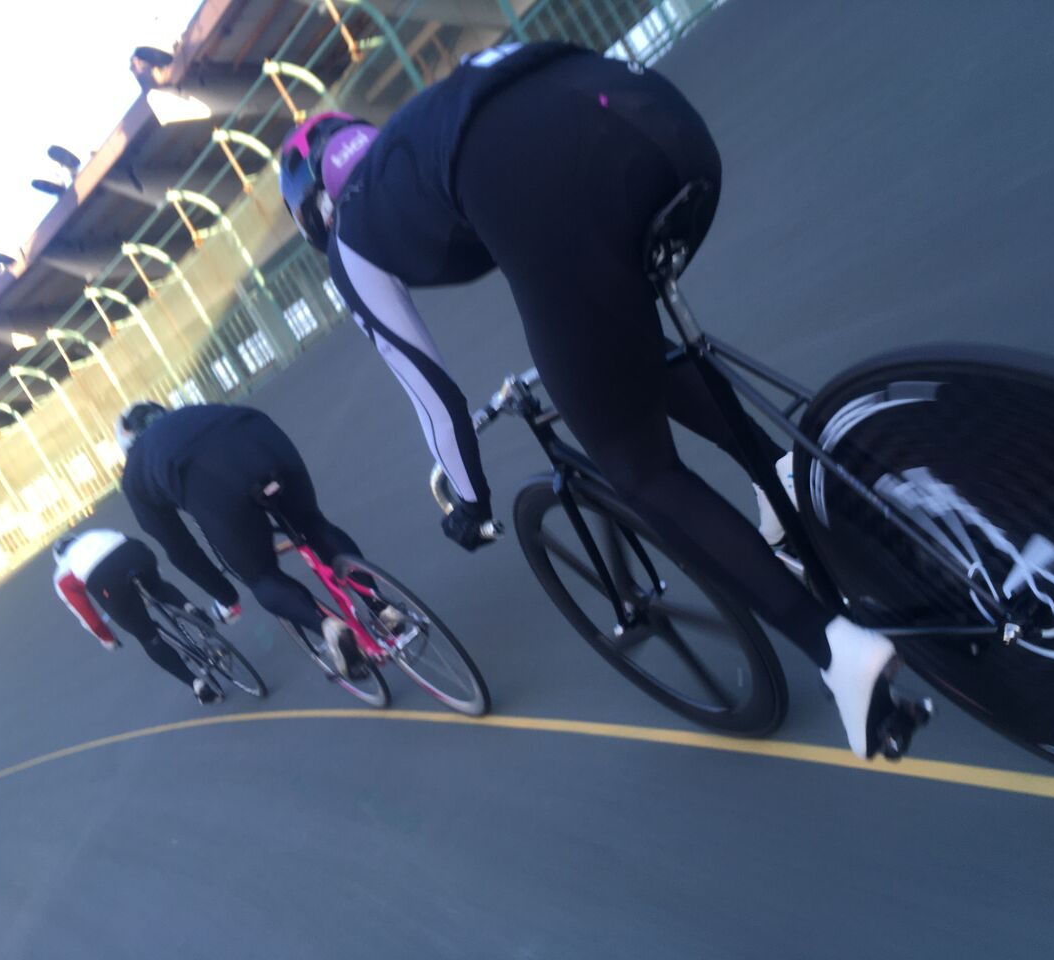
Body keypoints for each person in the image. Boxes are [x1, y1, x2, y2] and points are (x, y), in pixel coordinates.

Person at [277, 41, 924, 759]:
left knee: (638, 466)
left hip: (555, 186)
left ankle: (837, 652)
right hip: (661, 125)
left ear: (315, 215)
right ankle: (783, 471)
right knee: (623, 337)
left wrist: (469, 499)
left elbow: (428, 387)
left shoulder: (353, 236)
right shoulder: (429, 124)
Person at [115, 400, 386, 675]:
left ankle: (329, 627)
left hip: (206, 476)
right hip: (257, 433)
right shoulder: (191, 412)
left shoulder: (135, 474)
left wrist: (224, 594)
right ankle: (382, 608)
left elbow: (179, 548)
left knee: (260, 576)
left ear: (126, 444)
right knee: (313, 525)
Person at [53, 528, 217, 704]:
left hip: (107, 581)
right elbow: (139, 547)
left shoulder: (62, 573)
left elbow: (86, 614)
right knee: (159, 588)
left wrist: (107, 638)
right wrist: (152, 583)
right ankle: (191, 609)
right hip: (134, 552)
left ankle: (197, 685)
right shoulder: (95, 533)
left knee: (147, 637)